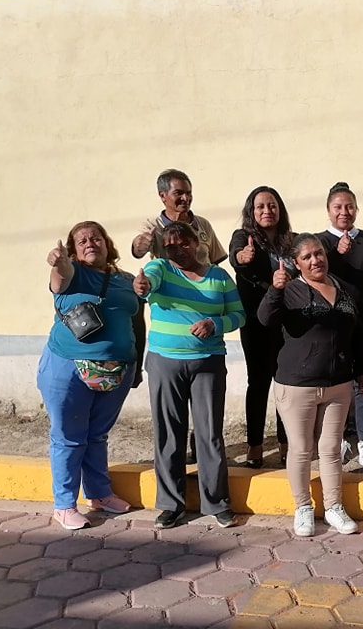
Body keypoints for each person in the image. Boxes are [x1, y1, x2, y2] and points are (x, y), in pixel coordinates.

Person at [257, 233, 363, 536]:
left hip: (338, 385)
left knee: (332, 448)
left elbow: (356, 333)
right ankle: (303, 508)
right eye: (306, 257)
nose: (315, 260)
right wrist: (275, 289)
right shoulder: (291, 291)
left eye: (318, 253)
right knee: (301, 449)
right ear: (296, 264)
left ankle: (333, 506)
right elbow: (265, 318)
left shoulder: (342, 290)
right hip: (298, 386)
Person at [133, 221, 245, 530]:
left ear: (197, 243)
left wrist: (214, 324)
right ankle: (171, 504)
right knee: (169, 433)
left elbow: (238, 314)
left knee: (209, 434)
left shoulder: (219, 277)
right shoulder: (159, 269)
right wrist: (142, 286)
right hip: (164, 362)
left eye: (183, 243)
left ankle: (217, 502)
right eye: (169, 245)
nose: (177, 249)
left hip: (207, 362)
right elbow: (147, 284)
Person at [39, 221, 139, 530]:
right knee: (69, 436)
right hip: (68, 366)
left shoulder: (126, 279)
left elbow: (138, 318)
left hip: (117, 367)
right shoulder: (72, 273)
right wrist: (59, 263)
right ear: (72, 250)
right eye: (81, 240)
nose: (89, 243)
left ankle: (99, 494)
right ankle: (65, 504)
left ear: (108, 244)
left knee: (96, 434)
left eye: (96, 238)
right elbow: (60, 277)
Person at [131, 168, 227, 462]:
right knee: (172, 406)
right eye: (178, 193)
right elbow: (137, 250)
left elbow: (217, 262)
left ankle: (204, 454)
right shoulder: (154, 229)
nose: (185, 198)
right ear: (163, 197)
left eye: (188, 191)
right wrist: (142, 245)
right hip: (170, 316)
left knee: (206, 406)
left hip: (204, 321)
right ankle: (179, 456)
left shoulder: (203, 225)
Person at [316, 182, 363, 468]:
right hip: (336, 323)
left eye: (349, 206)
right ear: (328, 211)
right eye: (338, 207)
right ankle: (340, 437)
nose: (344, 212)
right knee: (337, 380)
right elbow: (316, 275)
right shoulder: (321, 243)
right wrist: (336, 253)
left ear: (356, 210)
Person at [229, 186, 296, 468]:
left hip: (287, 323)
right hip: (256, 322)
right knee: (258, 383)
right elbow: (236, 256)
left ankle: (285, 443)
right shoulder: (243, 238)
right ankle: (255, 446)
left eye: (272, 206)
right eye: (260, 207)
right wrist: (240, 257)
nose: (267, 211)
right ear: (251, 212)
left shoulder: (290, 241)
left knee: (285, 384)